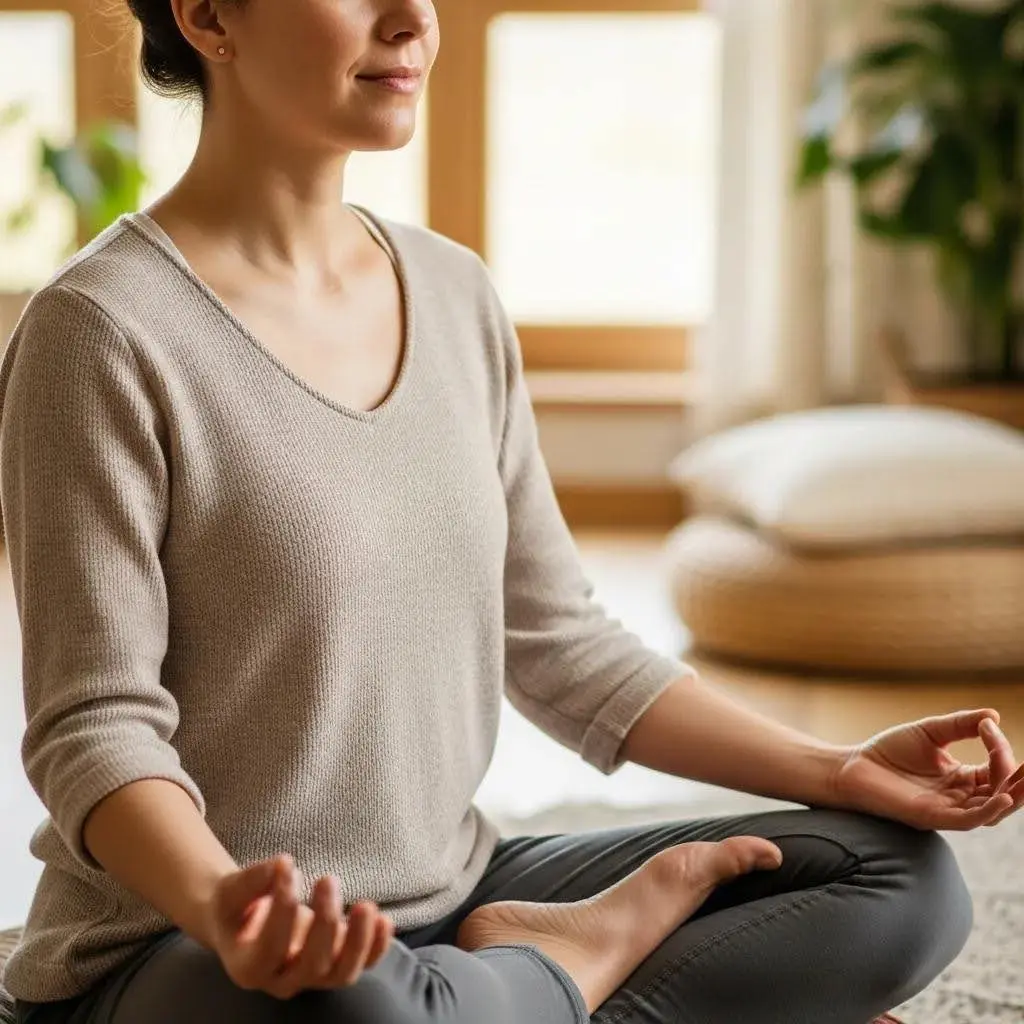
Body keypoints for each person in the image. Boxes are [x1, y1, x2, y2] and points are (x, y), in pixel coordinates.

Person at [0, 1, 1021, 1022]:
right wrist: (231, 908)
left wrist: (839, 767)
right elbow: (95, 727)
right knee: (362, 1010)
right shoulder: (100, 333)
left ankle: (515, 987)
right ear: (210, 14)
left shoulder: (454, 295)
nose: (410, 20)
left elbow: (557, 638)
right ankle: (575, 975)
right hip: (194, 945)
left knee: (900, 881)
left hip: (460, 895)